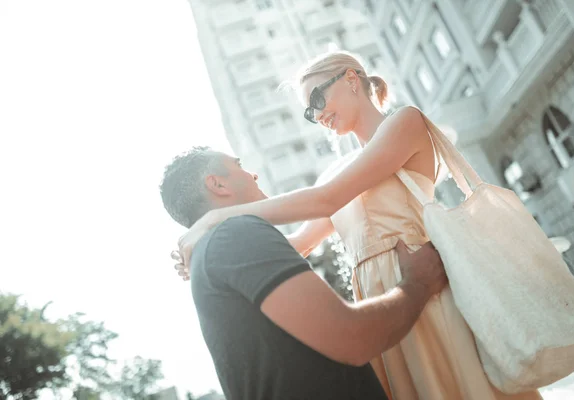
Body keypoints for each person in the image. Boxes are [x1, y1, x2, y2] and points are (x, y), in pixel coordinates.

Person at [172, 52, 543, 400]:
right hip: (381, 308)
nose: (317, 116)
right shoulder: (337, 172)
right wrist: (211, 248)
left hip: (426, 288)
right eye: (308, 112)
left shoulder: (405, 123)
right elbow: (299, 242)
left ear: (352, 79)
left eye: (317, 100)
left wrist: (215, 217)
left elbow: (327, 200)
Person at [159, 147, 448, 400]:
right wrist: (418, 283)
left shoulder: (218, 248)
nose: (254, 175)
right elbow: (351, 338)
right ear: (218, 184)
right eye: (240, 166)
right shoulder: (234, 235)